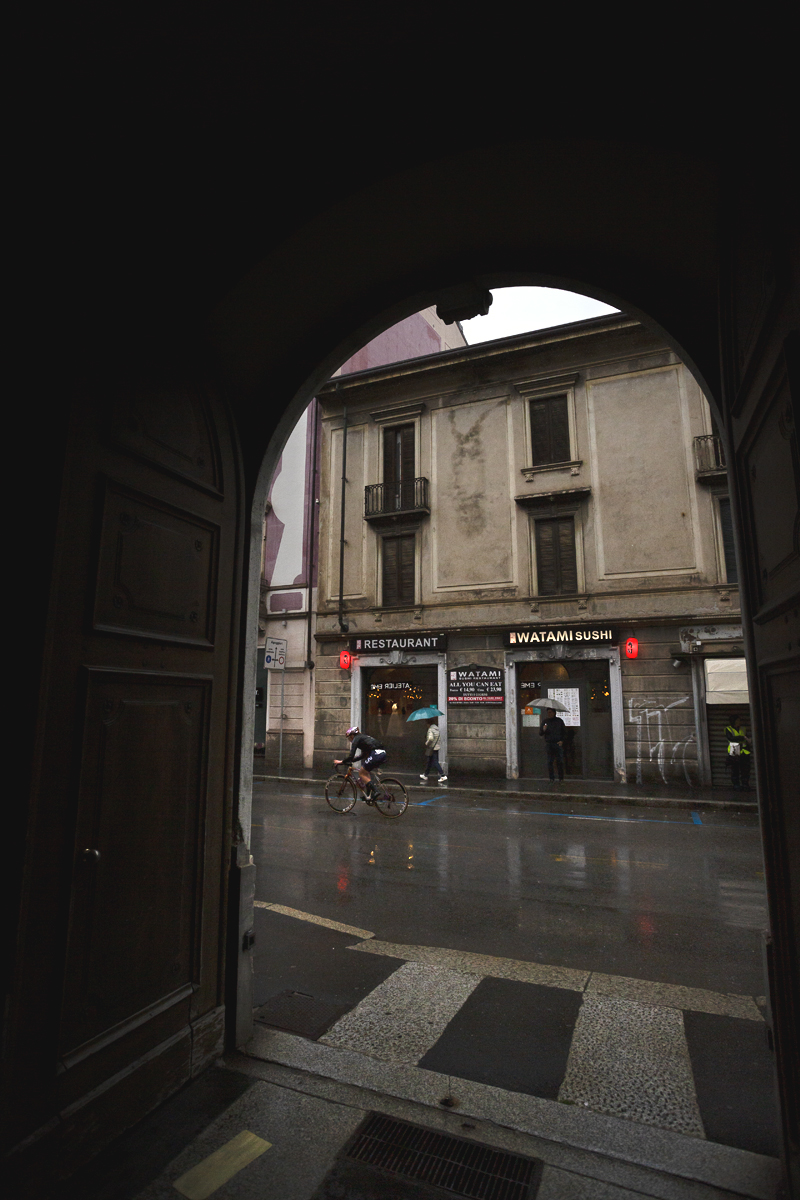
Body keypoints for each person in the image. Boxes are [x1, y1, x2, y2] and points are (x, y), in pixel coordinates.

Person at [334, 726, 387, 798]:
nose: (350, 740)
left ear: (352, 735)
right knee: (365, 771)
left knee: (361, 773)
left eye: (349, 737)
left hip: (376, 753)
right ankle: (369, 795)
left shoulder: (356, 738)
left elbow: (351, 756)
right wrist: (350, 761)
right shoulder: (363, 739)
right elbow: (362, 756)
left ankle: (376, 791)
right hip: (381, 753)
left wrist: (342, 762)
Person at [725, 715, 752, 791]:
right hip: (734, 750)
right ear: (734, 722)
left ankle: (745, 784)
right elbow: (730, 738)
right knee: (735, 769)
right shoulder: (728, 729)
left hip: (744, 751)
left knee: (745, 769)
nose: (739, 722)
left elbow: (747, 737)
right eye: (738, 720)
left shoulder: (743, 729)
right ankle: (736, 785)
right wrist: (742, 737)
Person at [539, 707, 566, 781]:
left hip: (557, 743)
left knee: (559, 761)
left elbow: (564, 732)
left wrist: (562, 741)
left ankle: (561, 778)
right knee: (550, 761)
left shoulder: (559, 721)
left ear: (554, 713)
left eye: (550, 712)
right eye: (548, 712)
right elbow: (540, 733)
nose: (549, 714)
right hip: (549, 744)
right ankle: (551, 778)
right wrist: (544, 729)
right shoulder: (545, 721)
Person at [420, 719, 447, 784]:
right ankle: (425, 775)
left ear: (429, 724)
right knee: (429, 761)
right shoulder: (437, 729)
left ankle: (443, 775)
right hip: (436, 747)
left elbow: (431, 739)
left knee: (435, 762)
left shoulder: (431, 730)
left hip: (432, 748)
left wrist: (427, 743)